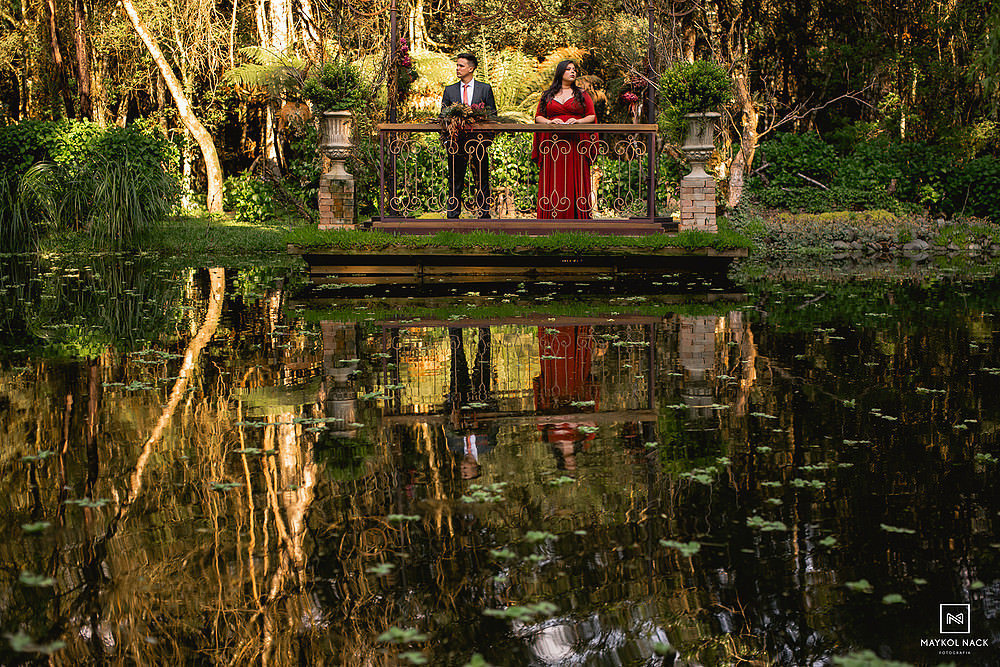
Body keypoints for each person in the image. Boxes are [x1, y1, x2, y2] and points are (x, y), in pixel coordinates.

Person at [532, 60, 597, 219]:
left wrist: (578, 122)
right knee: (555, 179)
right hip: (552, 145)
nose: (573, 72)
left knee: (575, 178)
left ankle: (576, 218)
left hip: (576, 144)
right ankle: (551, 217)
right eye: (568, 69)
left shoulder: (582, 94)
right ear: (560, 72)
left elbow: (591, 116)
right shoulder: (547, 95)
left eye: (574, 69)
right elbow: (538, 117)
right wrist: (549, 122)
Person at [440, 53, 497, 219]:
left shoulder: (484, 89)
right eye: (457, 65)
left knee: (482, 178)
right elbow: (443, 116)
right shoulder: (449, 90)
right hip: (456, 142)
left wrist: (487, 140)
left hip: (479, 142)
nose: (457, 68)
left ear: (471, 68)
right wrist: (448, 139)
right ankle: (453, 215)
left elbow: (492, 115)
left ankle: (484, 214)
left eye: (461, 66)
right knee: (455, 178)